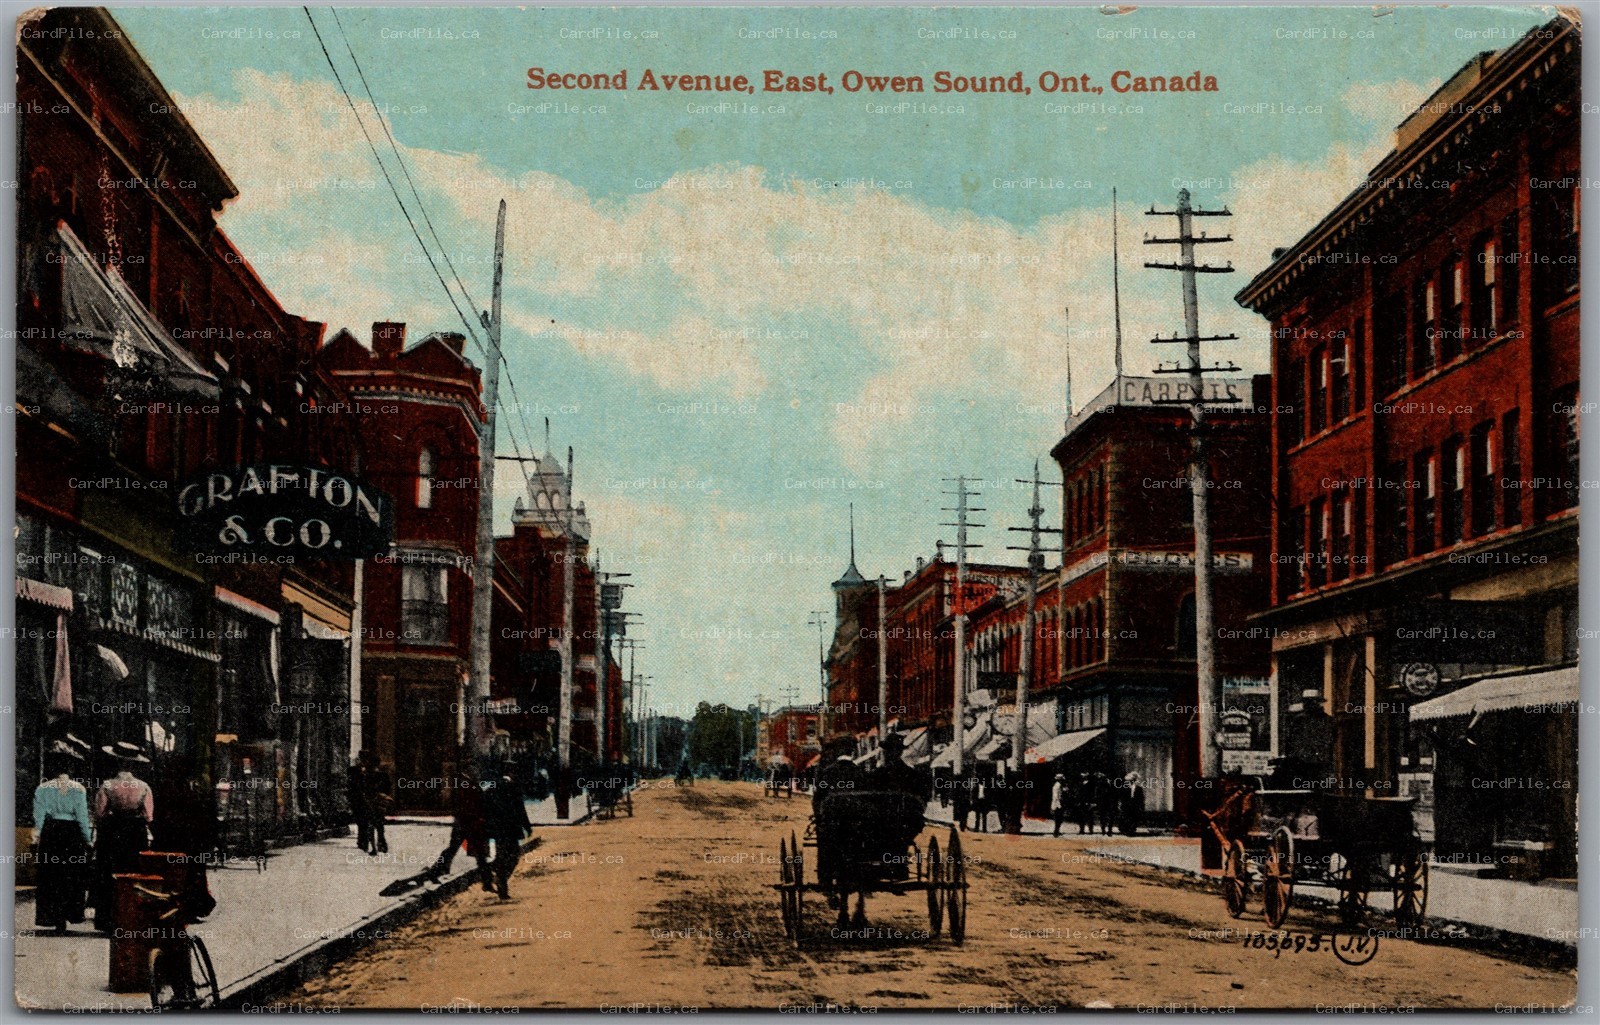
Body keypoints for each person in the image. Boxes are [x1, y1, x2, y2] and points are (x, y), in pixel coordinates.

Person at [91, 744, 154, 932]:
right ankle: (132, 918)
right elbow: (149, 816)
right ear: (134, 765)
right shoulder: (144, 787)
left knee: (109, 874)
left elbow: (100, 813)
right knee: (133, 873)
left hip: (112, 831)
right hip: (135, 833)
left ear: (116, 761)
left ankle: (108, 920)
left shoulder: (107, 785)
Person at [33, 752, 91, 932]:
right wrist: (87, 839)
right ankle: (69, 913)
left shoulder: (42, 788)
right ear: (71, 769)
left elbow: (39, 817)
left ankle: (53, 915)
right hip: (72, 834)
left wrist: (38, 838)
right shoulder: (79, 789)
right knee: (71, 875)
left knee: (51, 875)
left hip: (51, 833)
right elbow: (82, 817)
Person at [427, 765, 491, 891]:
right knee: (479, 854)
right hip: (470, 823)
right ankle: (486, 881)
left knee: (454, 850)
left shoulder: (466, 785)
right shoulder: (468, 786)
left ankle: (435, 872)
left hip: (464, 823)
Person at [482, 770, 531, 899]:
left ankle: (498, 880)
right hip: (511, 830)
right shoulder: (514, 789)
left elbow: (485, 811)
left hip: (499, 831)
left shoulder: (490, 791)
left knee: (502, 856)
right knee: (513, 856)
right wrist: (527, 827)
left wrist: (488, 828)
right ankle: (497, 877)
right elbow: (521, 810)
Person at [868, 733, 932, 804]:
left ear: (900, 752)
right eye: (887, 750)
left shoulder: (911, 775)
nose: (887, 753)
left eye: (891, 750)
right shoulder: (878, 773)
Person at [363, 755, 393, 855]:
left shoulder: (367, 775)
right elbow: (388, 788)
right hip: (380, 801)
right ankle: (381, 844)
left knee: (371, 825)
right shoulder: (383, 775)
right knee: (379, 825)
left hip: (371, 801)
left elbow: (364, 789)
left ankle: (374, 848)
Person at [349, 752, 372, 853]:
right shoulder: (353, 770)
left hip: (367, 799)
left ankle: (364, 841)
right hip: (358, 798)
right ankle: (361, 840)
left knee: (365, 821)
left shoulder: (371, 771)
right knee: (360, 820)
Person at [1119, 772, 1145, 836]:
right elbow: (1122, 796)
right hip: (1126, 805)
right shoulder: (1125, 787)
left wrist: (1141, 806)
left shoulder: (1139, 788)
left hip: (1135, 805)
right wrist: (1121, 804)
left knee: (1134, 818)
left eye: (1132, 780)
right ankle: (1127, 830)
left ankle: (1132, 830)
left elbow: (1141, 798)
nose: (1130, 781)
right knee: (1126, 817)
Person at [1050, 773, 1069, 838]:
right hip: (1058, 804)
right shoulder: (1057, 786)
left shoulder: (1060, 785)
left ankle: (1057, 831)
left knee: (1059, 818)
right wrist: (1059, 805)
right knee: (1058, 818)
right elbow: (1056, 796)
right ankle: (1056, 832)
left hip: (1058, 803)